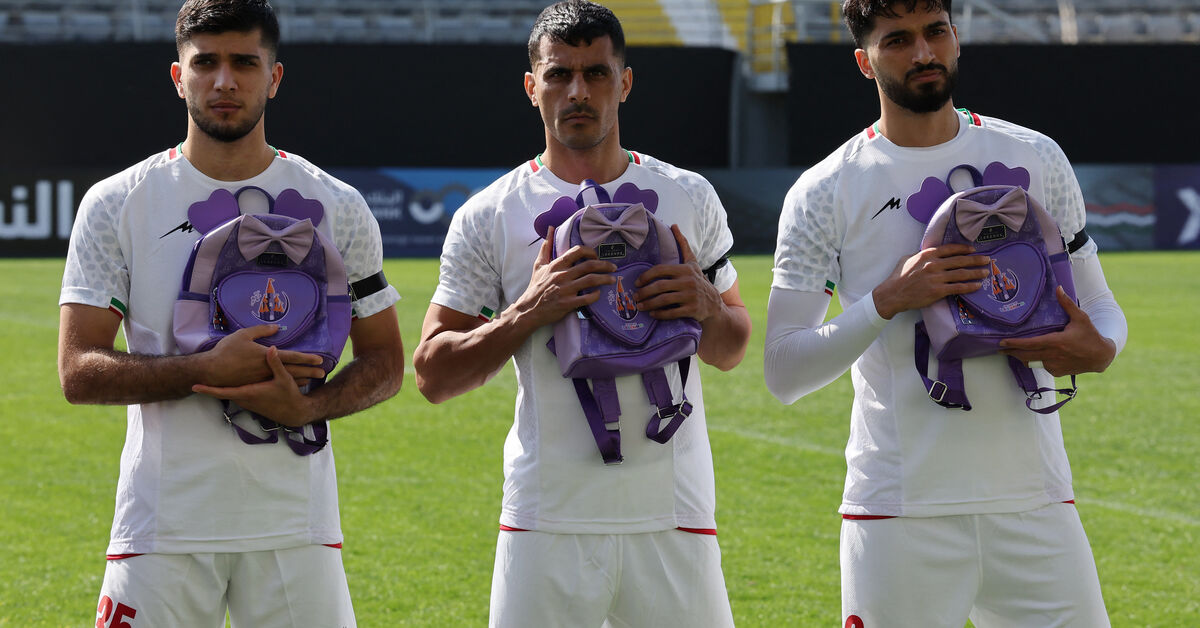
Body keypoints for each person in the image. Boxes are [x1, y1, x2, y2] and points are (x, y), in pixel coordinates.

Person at [765, 1, 1127, 626]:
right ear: (864, 60)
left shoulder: (1036, 156)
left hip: (1035, 502)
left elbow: (1098, 304)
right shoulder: (827, 190)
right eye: (898, 40)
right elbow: (784, 369)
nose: (924, 53)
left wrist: (1103, 347)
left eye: (935, 32)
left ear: (956, 38)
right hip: (900, 510)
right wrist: (887, 300)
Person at [57, 1, 403, 625]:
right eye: (205, 63)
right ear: (177, 76)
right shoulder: (116, 203)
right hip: (162, 526)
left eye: (244, 63)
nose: (224, 81)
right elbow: (78, 371)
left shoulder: (339, 205)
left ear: (273, 77)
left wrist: (312, 406)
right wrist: (205, 368)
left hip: (294, 529)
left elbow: (386, 361)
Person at [412, 2, 751, 626]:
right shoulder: (490, 214)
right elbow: (433, 374)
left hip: (672, 513)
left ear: (623, 83)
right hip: (547, 516)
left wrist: (705, 304)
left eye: (596, 74)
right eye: (559, 74)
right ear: (531, 87)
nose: (577, 91)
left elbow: (731, 347)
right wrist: (524, 314)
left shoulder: (688, 194)